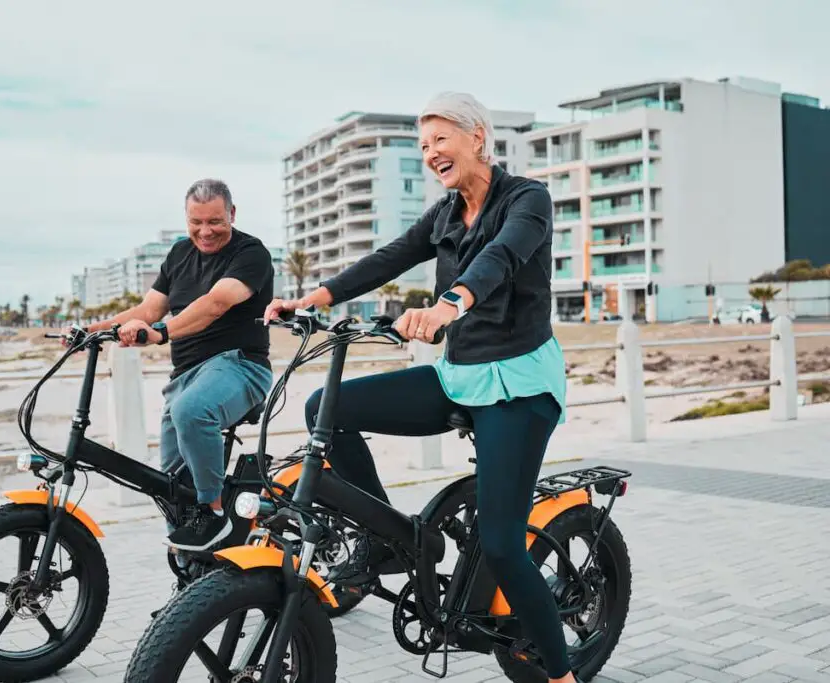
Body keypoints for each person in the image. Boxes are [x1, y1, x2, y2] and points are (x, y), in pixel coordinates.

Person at [264, 93, 577, 683]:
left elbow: (503, 257)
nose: (431, 153)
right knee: (324, 409)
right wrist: (314, 298)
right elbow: (388, 259)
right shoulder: (442, 214)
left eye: (440, 140)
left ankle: (560, 675)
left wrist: (448, 305)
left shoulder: (527, 198)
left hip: (519, 387)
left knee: (504, 543)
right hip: (458, 378)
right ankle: (389, 540)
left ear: (478, 137)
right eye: (423, 145)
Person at [84, 178, 274, 552]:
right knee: (170, 487)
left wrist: (159, 333)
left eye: (215, 221)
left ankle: (215, 511)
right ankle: (193, 586)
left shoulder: (251, 253)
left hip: (239, 367)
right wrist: (89, 331)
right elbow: (148, 310)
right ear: (186, 219)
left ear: (232, 215)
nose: (205, 232)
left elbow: (217, 302)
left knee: (193, 411)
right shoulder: (178, 254)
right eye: (196, 222)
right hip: (185, 375)